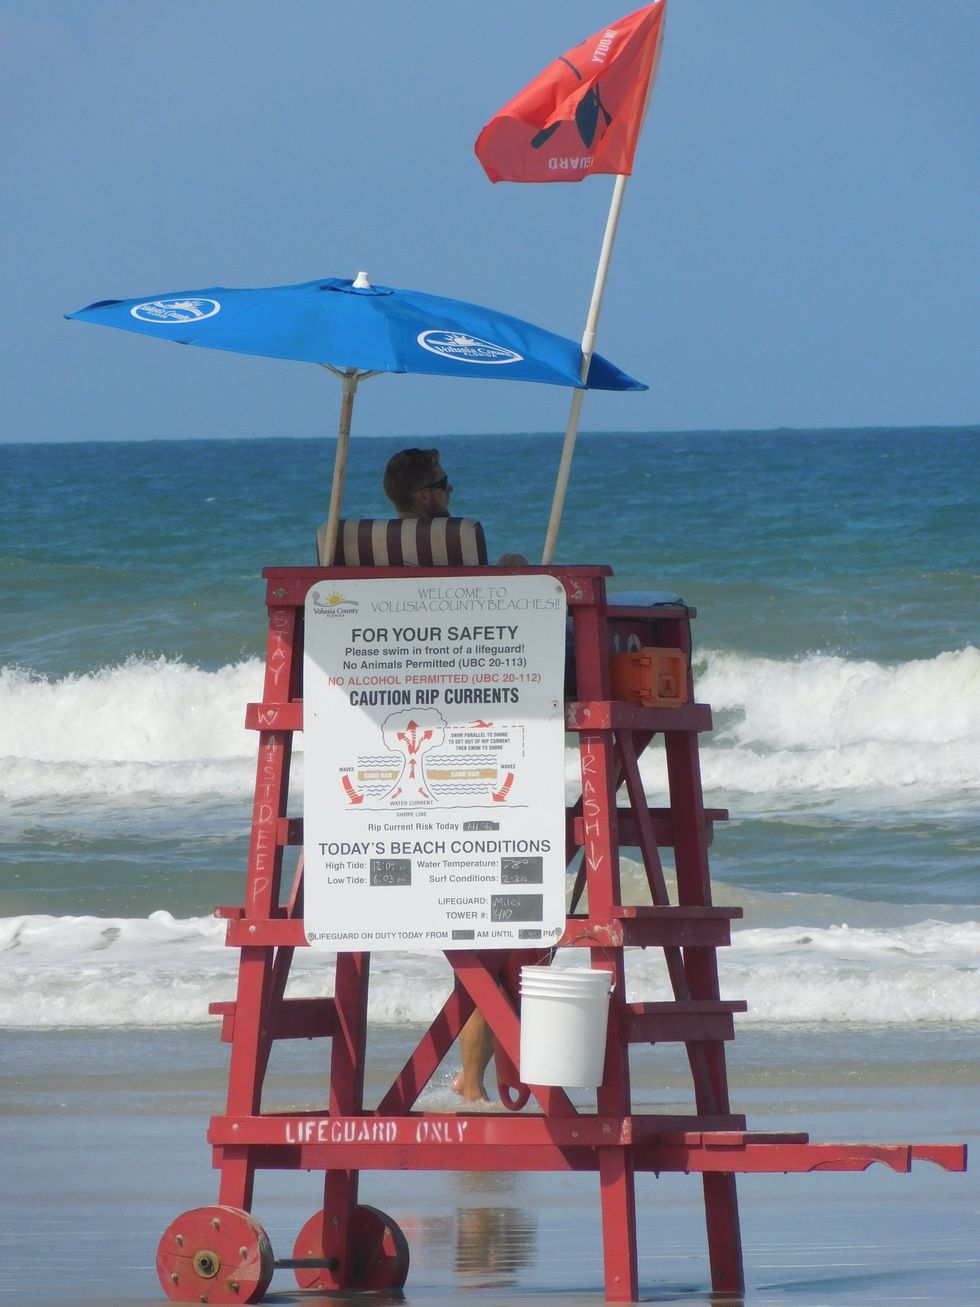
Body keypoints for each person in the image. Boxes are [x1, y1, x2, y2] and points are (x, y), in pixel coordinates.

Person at [382, 448, 524, 1101]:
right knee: (490, 937)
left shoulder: (365, 555)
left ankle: (472, 1078)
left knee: (486, 940)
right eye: (444, 484)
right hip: (470, 728)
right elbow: (480, 617)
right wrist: (516, 575)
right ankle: (472, 1080)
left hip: (394, 727)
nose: (451, 491)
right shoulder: (456, 545)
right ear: (424, 497)